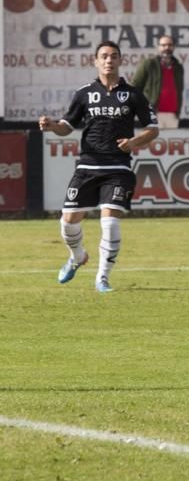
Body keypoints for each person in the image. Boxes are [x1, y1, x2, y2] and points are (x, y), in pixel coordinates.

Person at [38, 40, 159, 292]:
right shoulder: (84, 93)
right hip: (88, 166)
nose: (108, 60)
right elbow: (66, 127)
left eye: (113, 56)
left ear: (120, 60)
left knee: (110, 223)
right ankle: (77, 256)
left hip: (118, 168)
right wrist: (52, 125)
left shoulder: (133, 94)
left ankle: (102, 278)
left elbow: (153, 129)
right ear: (95, 61)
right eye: (104, 56)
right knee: (68, 222)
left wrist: (133, 142)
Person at [131, 34, 184, 129]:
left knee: (172, 138)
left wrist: (178, 112)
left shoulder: (178, 67)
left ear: (174, 47)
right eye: (163, 45)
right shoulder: (149, 64)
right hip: (153, 114)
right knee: (152, 139)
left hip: (172, 115)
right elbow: (135, 86)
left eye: (170, 45)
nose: (167, 48)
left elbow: (180, 90)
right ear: (158, 47)